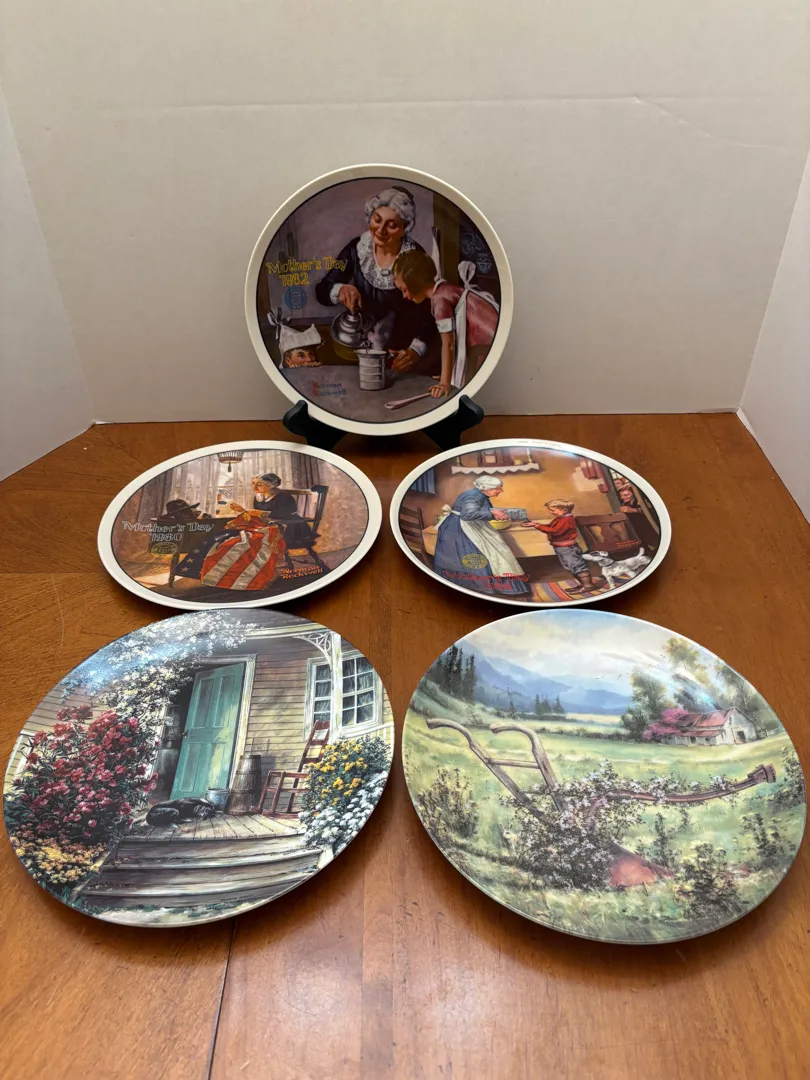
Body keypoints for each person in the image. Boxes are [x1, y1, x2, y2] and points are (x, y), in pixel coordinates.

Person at [314, 186, 435, 370]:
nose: (381, 230)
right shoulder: (357, 249)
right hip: (363, 351)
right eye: (377, 220)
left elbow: (430, 311)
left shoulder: (415, 256)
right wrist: (341, 290)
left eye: (391, 225)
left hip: (401, 355)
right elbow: (322, 290)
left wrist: (415, 350)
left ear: (405, 228)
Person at [392, 249, 498, 398]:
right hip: (487, 341)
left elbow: (449, 344)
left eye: (404, 290)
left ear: (415, 283)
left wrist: (444, 383)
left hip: (486, 345)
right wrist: (446, 376)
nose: (404, 296)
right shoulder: (444, 289)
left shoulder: (439, 300)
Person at [433, 476, 530, 597]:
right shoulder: (474, 496)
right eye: (498, 488)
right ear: (486, 488)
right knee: (484, 554)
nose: (501, 491)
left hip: (462, 524)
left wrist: (494, 512)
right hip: (461, 529)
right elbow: (468, 515)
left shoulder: (477, 494)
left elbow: (475, 511)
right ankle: (484, 587)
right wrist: (492, 514)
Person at [521, 500, 603, 594]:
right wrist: (535, 524)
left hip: (568, 548)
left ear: (564, 510)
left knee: (577, 567)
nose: (551, 512)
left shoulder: (566, 520)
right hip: (562, 548)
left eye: (553, 510)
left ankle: (588, 585)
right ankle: (583, 584)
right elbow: (550, 527)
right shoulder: (560, 518)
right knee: (571, 567)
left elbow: (555, 531)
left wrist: (537, 525)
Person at [229, 473, 313, 550]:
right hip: (269, 524)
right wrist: (244, 511)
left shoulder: (284, 497)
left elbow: (283, 514)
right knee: (239, 533)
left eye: (259, 485)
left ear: (271, 485)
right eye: (253, 483)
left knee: (253, 538)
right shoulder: (258, 498)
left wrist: (255, 512)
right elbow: (260, 516)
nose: (254, 487)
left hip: (289, 527)